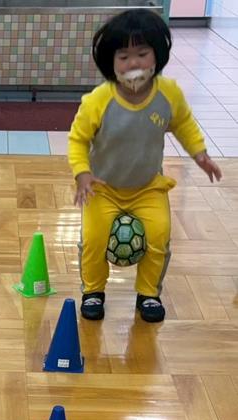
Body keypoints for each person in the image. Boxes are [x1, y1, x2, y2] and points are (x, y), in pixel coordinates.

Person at [69, 9, 222, 323]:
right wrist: (82, 173)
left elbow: (183, 123)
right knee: (94, 240)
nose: (133, 64)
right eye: (123, 57)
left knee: (159, 235)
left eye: (142, 54)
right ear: (110, 62)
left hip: (148, 186)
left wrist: (199, 153)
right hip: (103, 188)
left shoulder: (168, 94)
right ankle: (93, 291)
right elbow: (78, 140)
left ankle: (149, 294)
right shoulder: (98, 101)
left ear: (157, 56)